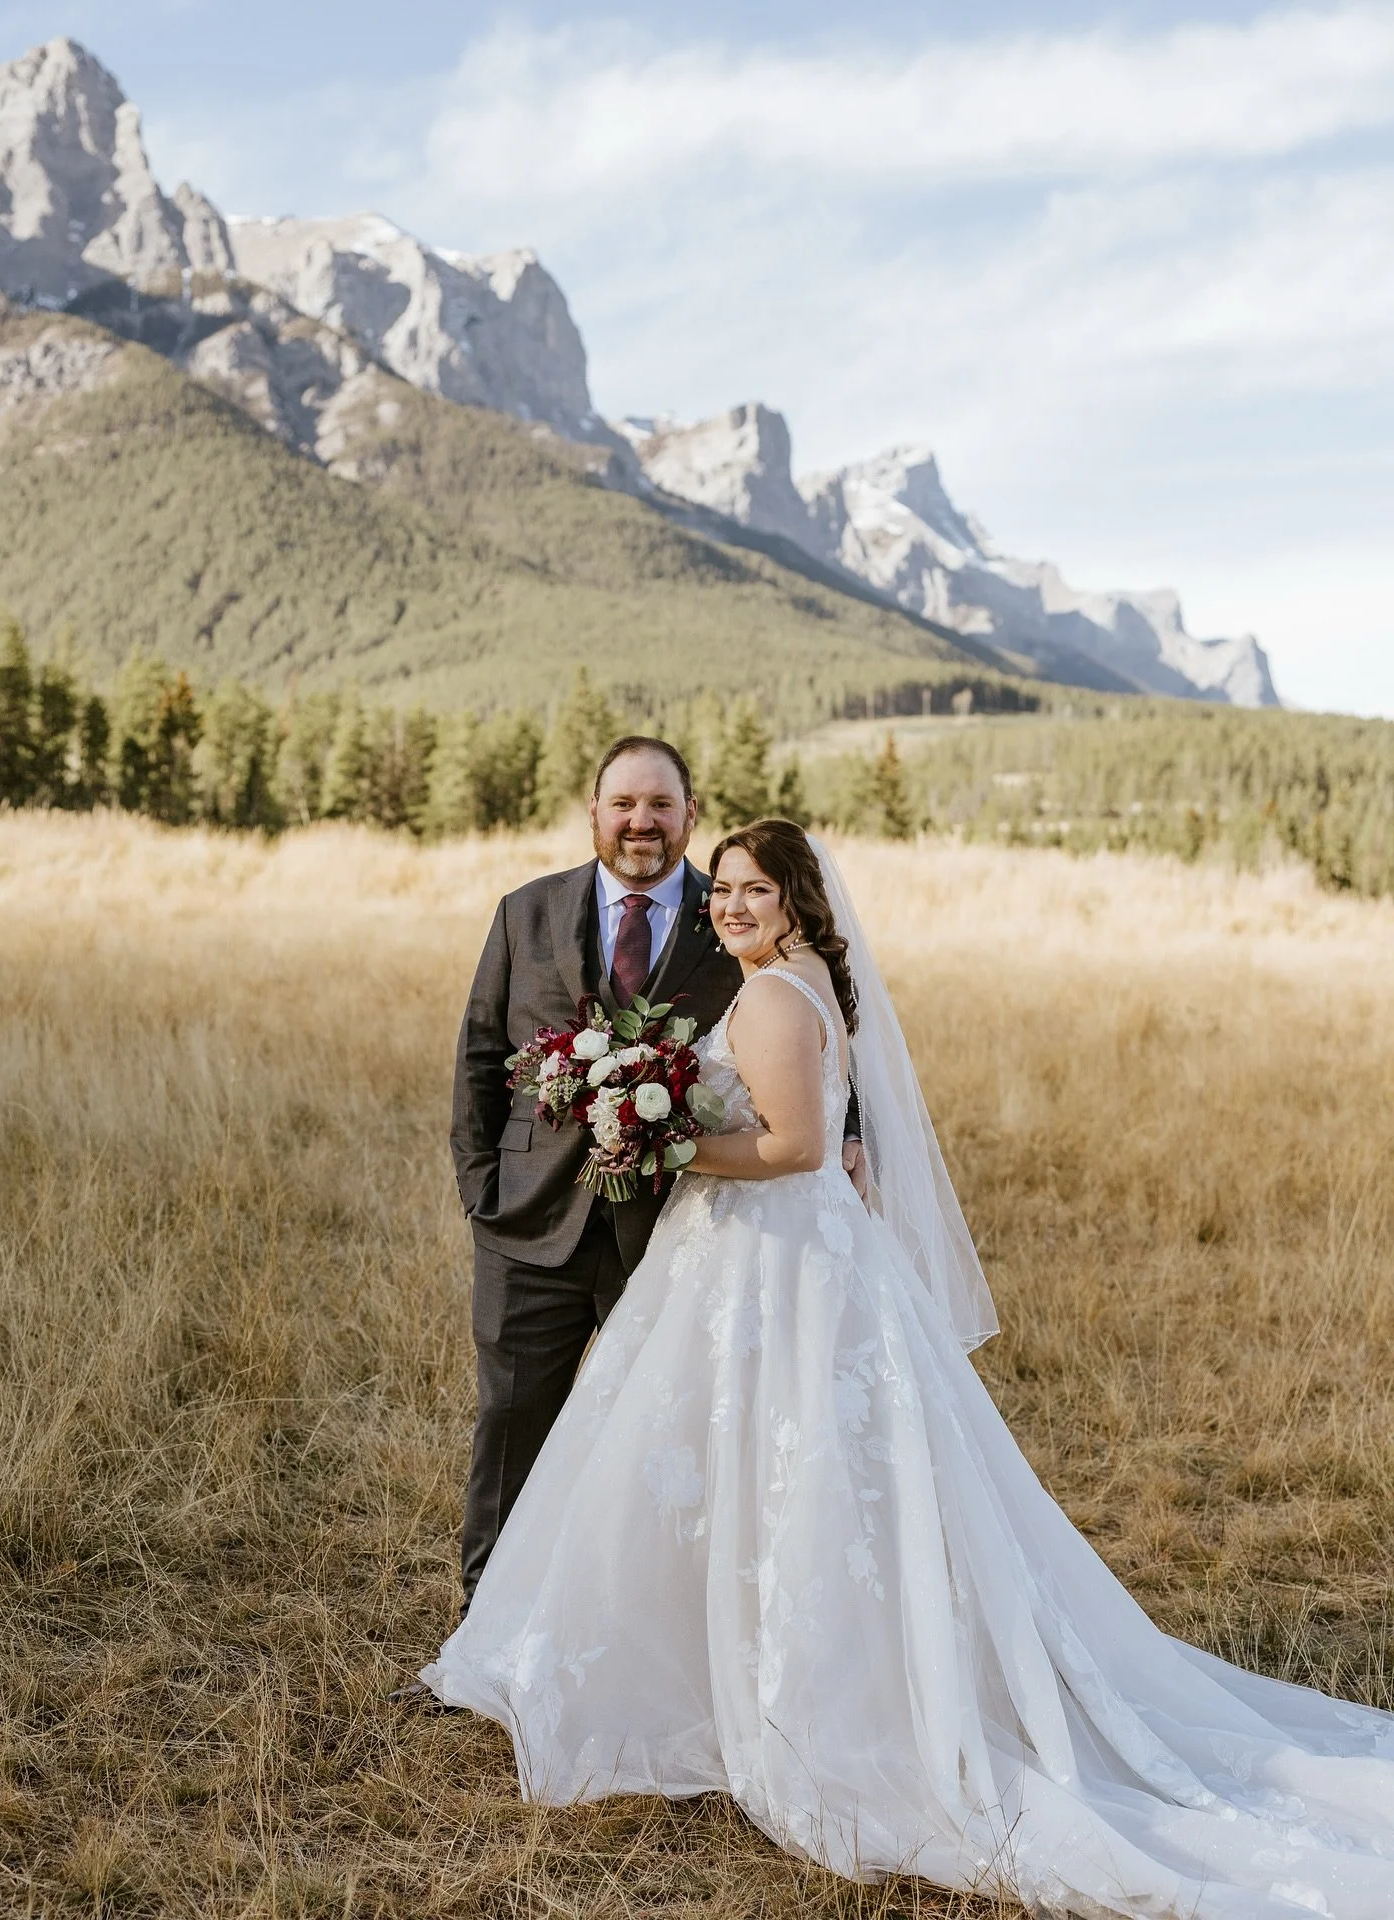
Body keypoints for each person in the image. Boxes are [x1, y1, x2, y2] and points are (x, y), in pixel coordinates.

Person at [424, 818, 1394, 1919]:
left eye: (753, 892)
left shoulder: (778, 999)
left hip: (774, 1261)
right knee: (754, 1467)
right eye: (724, 892)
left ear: (796, 903)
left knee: (768, 1464)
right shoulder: (789, 984)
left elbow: (789, 1146)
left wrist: (664, 1143)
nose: (731, 907)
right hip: (769, 1256)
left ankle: (797, 1693)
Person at [448, 737, 863, 1612]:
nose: (642, 822)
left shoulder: (739, 927)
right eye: (624, 805)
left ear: (691, 815)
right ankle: (489, 1619)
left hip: (679, 1230)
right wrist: (483, 1192)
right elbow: (483, 1057)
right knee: (512, 1428)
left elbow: (805, 1048)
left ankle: (639, 1624)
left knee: (665, 1439)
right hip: (529, 1223)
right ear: (594, 810)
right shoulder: (526, 912)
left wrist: (849, 1133)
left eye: (661, 806)